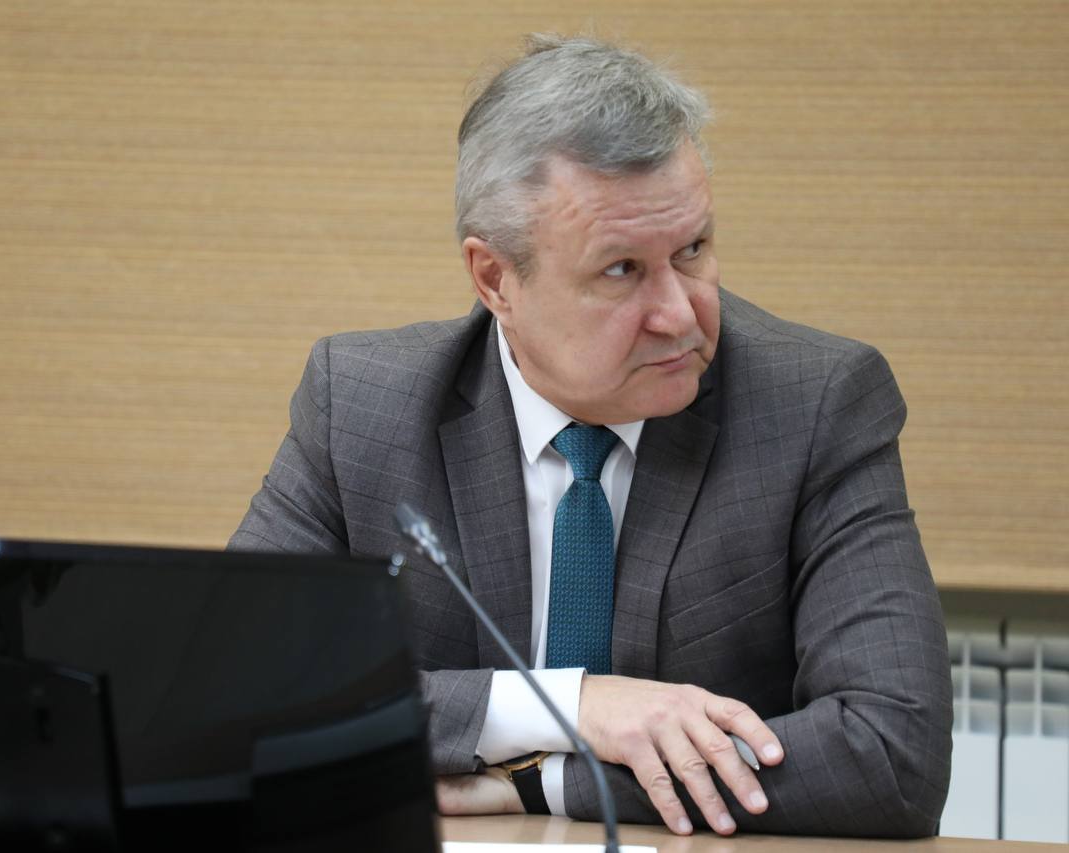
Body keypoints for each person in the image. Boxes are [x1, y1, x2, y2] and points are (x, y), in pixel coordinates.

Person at [230, 34, 952, 838]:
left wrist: (548, 782)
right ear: (495, 278)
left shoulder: (815, 404)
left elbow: (894, 754)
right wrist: (570, 705)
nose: (678, 312)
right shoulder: (364, 407)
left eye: (693, 250)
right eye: (620, 270)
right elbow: (231, 690)